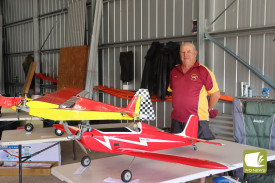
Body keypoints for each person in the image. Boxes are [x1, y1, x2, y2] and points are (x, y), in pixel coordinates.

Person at [168, 42, 220, 140]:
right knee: (176, 151)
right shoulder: (174, 71)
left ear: (195, 53)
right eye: (182, 52)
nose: (185, 55)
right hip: (176, 120)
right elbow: (173, 91)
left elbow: (216, 95)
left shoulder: (204, 71)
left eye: (188, 52)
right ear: (179, 54)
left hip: (198, 121)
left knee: (201, 152)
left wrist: (208, 108)